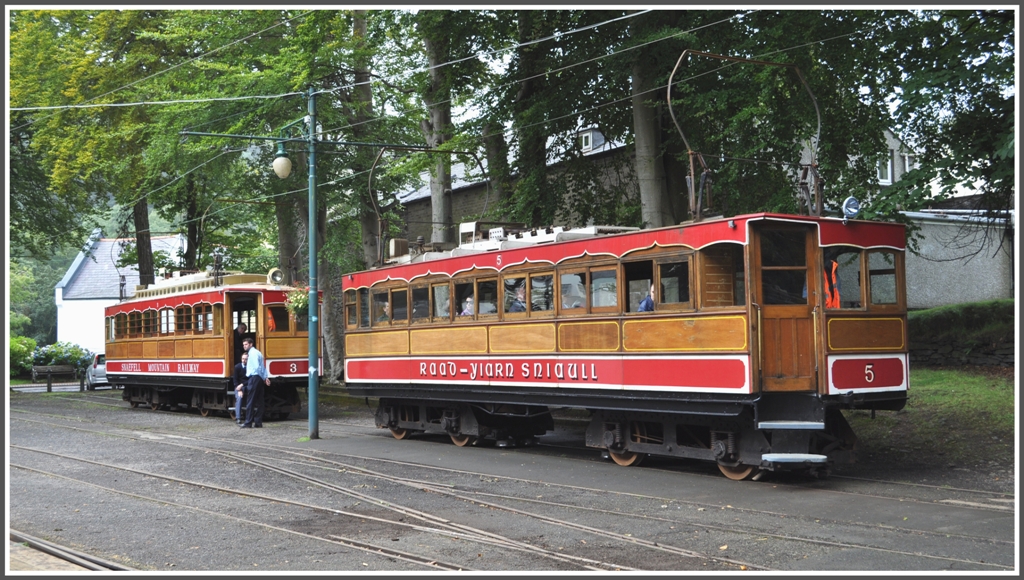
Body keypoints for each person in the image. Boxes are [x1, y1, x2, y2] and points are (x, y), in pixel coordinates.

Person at [240, 337, 270, 429]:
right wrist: (265, 377)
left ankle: (248, 422)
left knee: (250, 401)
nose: (244, 346)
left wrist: (263, 377)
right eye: (243, 345)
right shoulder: (258, 353)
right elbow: (263, 367)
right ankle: (258, 422)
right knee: (260, 401)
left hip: (254, 378)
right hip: (259, 378)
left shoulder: (252, 354)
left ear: (251, 344)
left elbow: (257, 367)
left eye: (246, 344)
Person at [232, 353, 248, 425]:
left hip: (246, 386)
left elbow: (250, 379)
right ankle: (238, 418)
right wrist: (239, 389)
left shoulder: (250, 368)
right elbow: (235, 379)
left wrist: (242, 385)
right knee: (239, 397)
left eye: (245, 359)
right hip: (239, 386)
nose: (244, 360)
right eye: (243, 359)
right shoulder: (237, 367)